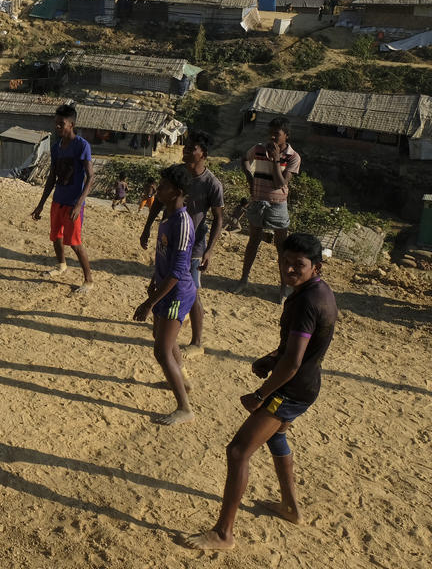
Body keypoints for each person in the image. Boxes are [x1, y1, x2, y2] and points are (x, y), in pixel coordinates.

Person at [186, 233, 338, 551]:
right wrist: (271, 358)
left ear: (317, 267)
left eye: (299, 264)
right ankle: (291, 508)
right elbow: (298, 350)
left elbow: (294, 363)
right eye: (285, 262)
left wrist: (260, 395)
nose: (290, 269)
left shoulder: (308, 302)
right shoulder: (317, 291)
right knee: (276, 437)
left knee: (238, 451)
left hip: (291, 389)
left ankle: (224, 534)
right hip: (304, 384)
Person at [140, 130, 224, 355]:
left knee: (192, 290)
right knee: (167, 278)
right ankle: (170, 323)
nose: (186, 151)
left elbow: (218, 218)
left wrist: (209, 250)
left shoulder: (211, 183)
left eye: (191, 148)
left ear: (203, 153)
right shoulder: (176, 174)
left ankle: (197, 341)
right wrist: (148, 227)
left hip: (194, 244)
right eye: (185, 147)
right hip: (170, 238)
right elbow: (158, 202)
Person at [134, 165, 197, 425]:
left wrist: (150, 302)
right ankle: (182, 380)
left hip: (176, 294)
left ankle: (184, 407)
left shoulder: (182, 223)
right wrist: (152, 282)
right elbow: (164, 259)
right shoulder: (168, 217)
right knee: (165, 342)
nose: (158, 189)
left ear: (178, 192)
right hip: (165, 290)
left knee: (161, 351)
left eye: (164, 186)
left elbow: (178, 271)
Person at [236, 117, 302, 302]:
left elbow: (280, 183)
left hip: (278, 205)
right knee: (253, 242)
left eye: (277, 134)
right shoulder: (258, 148)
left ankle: (283, 288)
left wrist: (275, 160)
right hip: (258, 202)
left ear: (286, 136)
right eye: (270, 132)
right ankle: (243, 279)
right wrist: (250, 179)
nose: (272, 136)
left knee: (282, 248)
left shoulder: (293, 157)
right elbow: (244, 159)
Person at [31, 104, 94, 295]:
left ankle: (89, 280)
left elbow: (90, 177)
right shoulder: (56, 146)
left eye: (61, 124)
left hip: (73, 203)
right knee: (55, 237)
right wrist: (41, 204)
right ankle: (61, 265)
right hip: (58, 199)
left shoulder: (82, 146)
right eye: (56, 123)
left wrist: (78, 204)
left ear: (71, 124)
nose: (57, 127)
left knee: (75, 243)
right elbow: (52, 177)